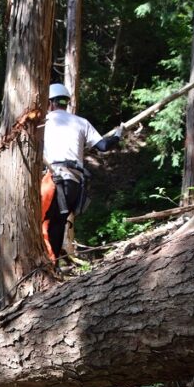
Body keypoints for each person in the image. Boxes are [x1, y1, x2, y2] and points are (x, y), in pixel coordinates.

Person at [41, 83, 124, 261]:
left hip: (54, 178)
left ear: (50, 103)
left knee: (43, 223)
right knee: (59, 225)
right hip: (75, 184)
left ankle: (46, 265)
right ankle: (53, 265)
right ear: (65, 103)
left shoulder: (43, 122)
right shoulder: (81, 122)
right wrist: (117, 135)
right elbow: (103, 146)